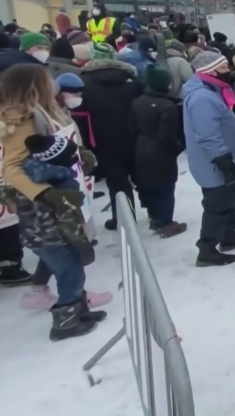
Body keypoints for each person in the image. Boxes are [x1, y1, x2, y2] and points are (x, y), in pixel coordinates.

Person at [0, 65, 110, 339]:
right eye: (46, 79)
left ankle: (79, 306)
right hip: (43, 210)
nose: (53, 83)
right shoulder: (21, 119)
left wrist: (77, 155)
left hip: (61, 202)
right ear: (33, 86)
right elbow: (11, 167)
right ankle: (66, 320)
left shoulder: (47, 111)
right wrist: (44, 193)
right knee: (67, 266)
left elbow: (53, 148)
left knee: (72, 258)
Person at [182, 51, 235, 266]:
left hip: (219, 160)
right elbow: (208, 134)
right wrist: (224, 160)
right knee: (217, 205)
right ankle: (207, 248)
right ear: (211, 71)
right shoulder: (203, 97)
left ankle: (227, 237)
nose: (229, 72)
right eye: (225, 68)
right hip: (214, 164)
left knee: (228, 200)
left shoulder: (211, 90)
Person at [79, 43, 143, 230]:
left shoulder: (85, 82)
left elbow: (81, 114)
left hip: (103, 140)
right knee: (144, 177)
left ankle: (124, 218)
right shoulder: (132, 79)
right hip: (135, 137)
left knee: (117, 182)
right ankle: (158, 214)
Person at [129, 66, 187, 238]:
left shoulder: (137, 101)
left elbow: (131, 128)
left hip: (141, 146)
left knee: (149, 184)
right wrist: (177, 148)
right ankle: (166, 222)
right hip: (160, 151)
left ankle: (154, 218)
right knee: (166, 186)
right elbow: (166, 135)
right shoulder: (168, 106)